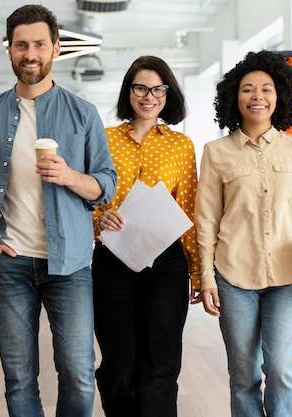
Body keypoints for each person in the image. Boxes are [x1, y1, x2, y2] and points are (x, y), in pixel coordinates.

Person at [0, 4, 117, 417]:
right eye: (21, 45)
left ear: (56, 49)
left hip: (69, 264)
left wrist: (69, 175)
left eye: (39, 44)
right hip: (9, 261)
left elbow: (106, 185)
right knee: (18, 375)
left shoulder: (82, 113)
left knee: (79, 371)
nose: (30, 53)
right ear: (9, 50)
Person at [195, 50, 292, 417]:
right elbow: (206, 220)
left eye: (266, 89)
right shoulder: (216, 152)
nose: (257, 96)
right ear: (233, 98)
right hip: (234, 276)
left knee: (282, 367)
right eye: (247, 89)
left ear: (280, 96)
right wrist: (207, 279)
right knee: (243, 374)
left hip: (287, 275)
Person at [91, 55, 201, 417]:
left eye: (158, 88)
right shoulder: (103, 139)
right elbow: (88, 196)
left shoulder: (181, 146)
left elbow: (188, 210)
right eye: (141, 87)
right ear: (129, 92)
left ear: (168, 94)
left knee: (161, 362)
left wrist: (198, 273)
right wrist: (99, 220)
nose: (149, 96)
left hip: (165, 262)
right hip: (112, 260)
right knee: (119, 364)